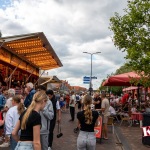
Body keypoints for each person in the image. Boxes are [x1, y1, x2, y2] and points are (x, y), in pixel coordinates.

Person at [37, 85, 54, 150]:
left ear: (44, 91)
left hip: (43, 130)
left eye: (39, 90)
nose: (38, 92)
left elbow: (51, 116)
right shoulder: (35, 100)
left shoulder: (48, 102)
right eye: (37, 90)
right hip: (34, 128)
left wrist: (43, 109)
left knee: (44, 147)